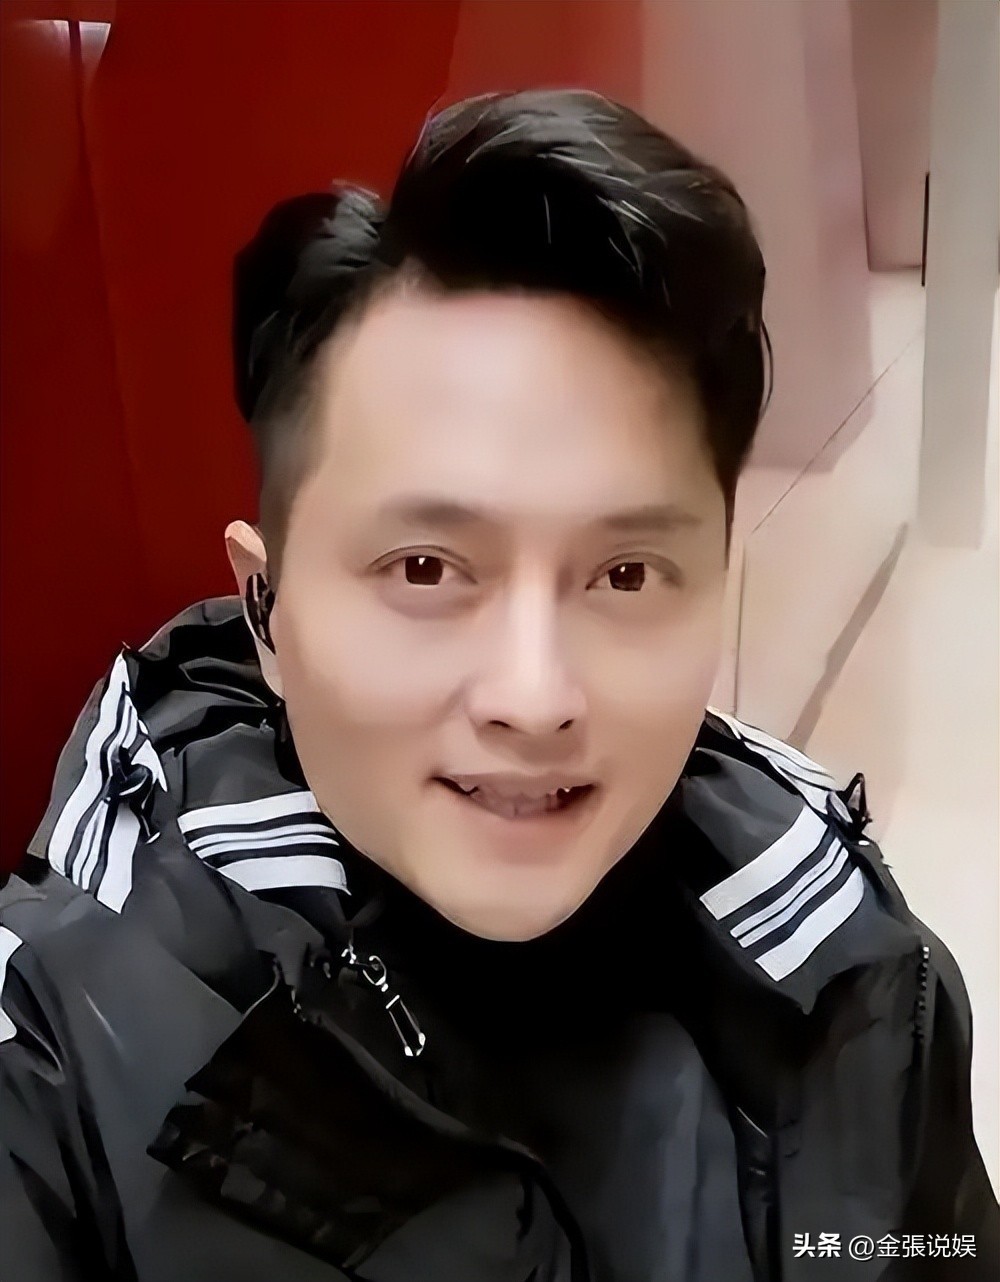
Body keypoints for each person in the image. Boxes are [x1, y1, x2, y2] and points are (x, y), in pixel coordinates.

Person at [0, 89, 996, 1282]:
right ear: (267, 610)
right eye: (426, 568)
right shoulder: (61, 1051)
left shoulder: (853, 975)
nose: (535, 695)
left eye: (625, 573)